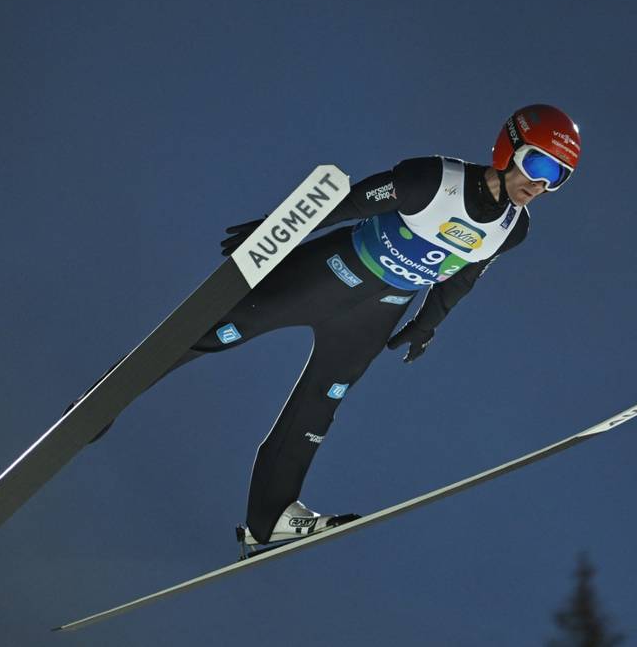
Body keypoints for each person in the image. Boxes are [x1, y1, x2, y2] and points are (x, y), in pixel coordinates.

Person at [84, 103, 582, 548]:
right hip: (327, 274)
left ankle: (270, 519)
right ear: (507, 147)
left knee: (321, 405)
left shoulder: (512, 230)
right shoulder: (435, 179)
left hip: (376, 312)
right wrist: (274, 229)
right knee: (214, 333)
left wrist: (427, 325)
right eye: (538, 164)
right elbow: (346, 202)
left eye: (557, 177)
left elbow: (463, 278)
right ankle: (104, 400)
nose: (540, 184)